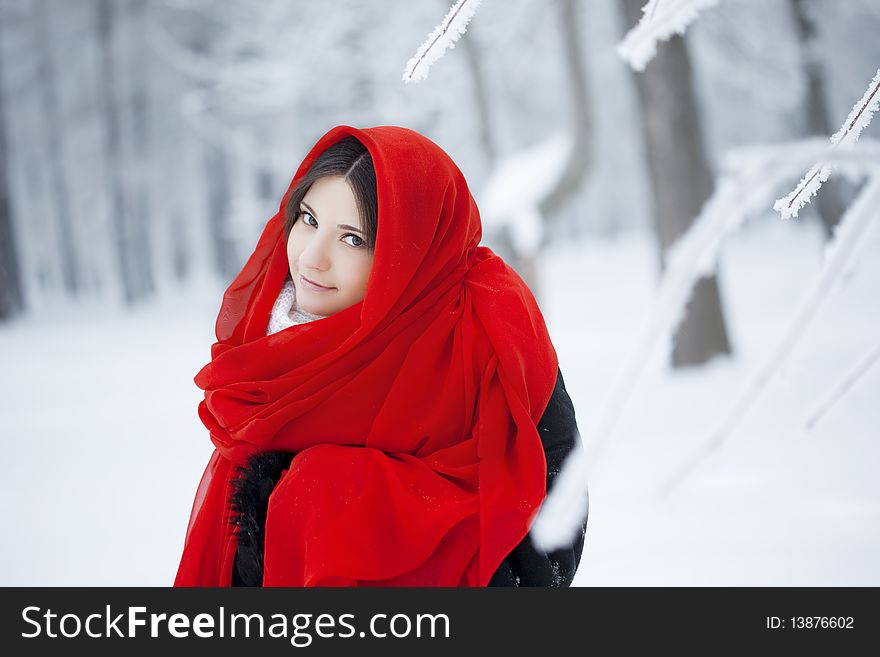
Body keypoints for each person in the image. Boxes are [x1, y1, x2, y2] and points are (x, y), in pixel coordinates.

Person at [174, 125, 588, 587]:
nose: (312, 257)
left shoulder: (487, 333)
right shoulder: (261, 354)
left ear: (405, 252)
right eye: (308, 219)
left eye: (352, 238)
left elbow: (552, 541)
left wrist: (334, 505)